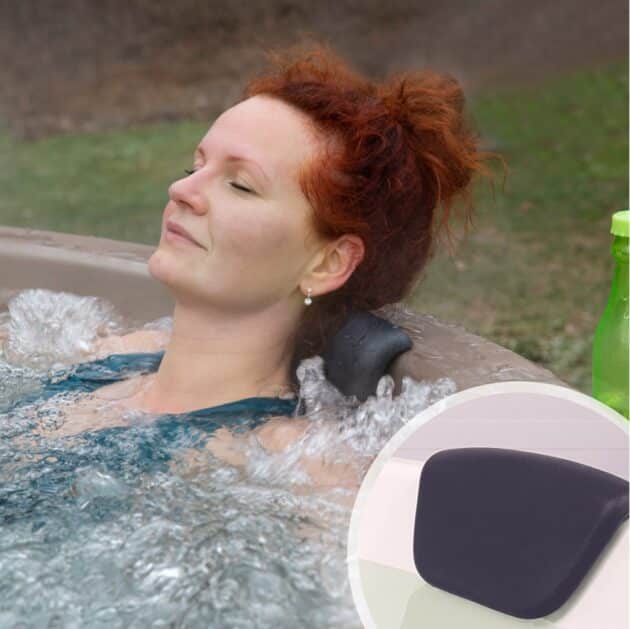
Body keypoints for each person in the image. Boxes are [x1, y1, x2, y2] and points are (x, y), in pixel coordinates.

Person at [9, 39, 494, 485]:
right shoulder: (109, 356)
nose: (181, 191)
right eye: (195, 168)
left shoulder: (288, 462)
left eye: (240, 185)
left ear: (326, 263)